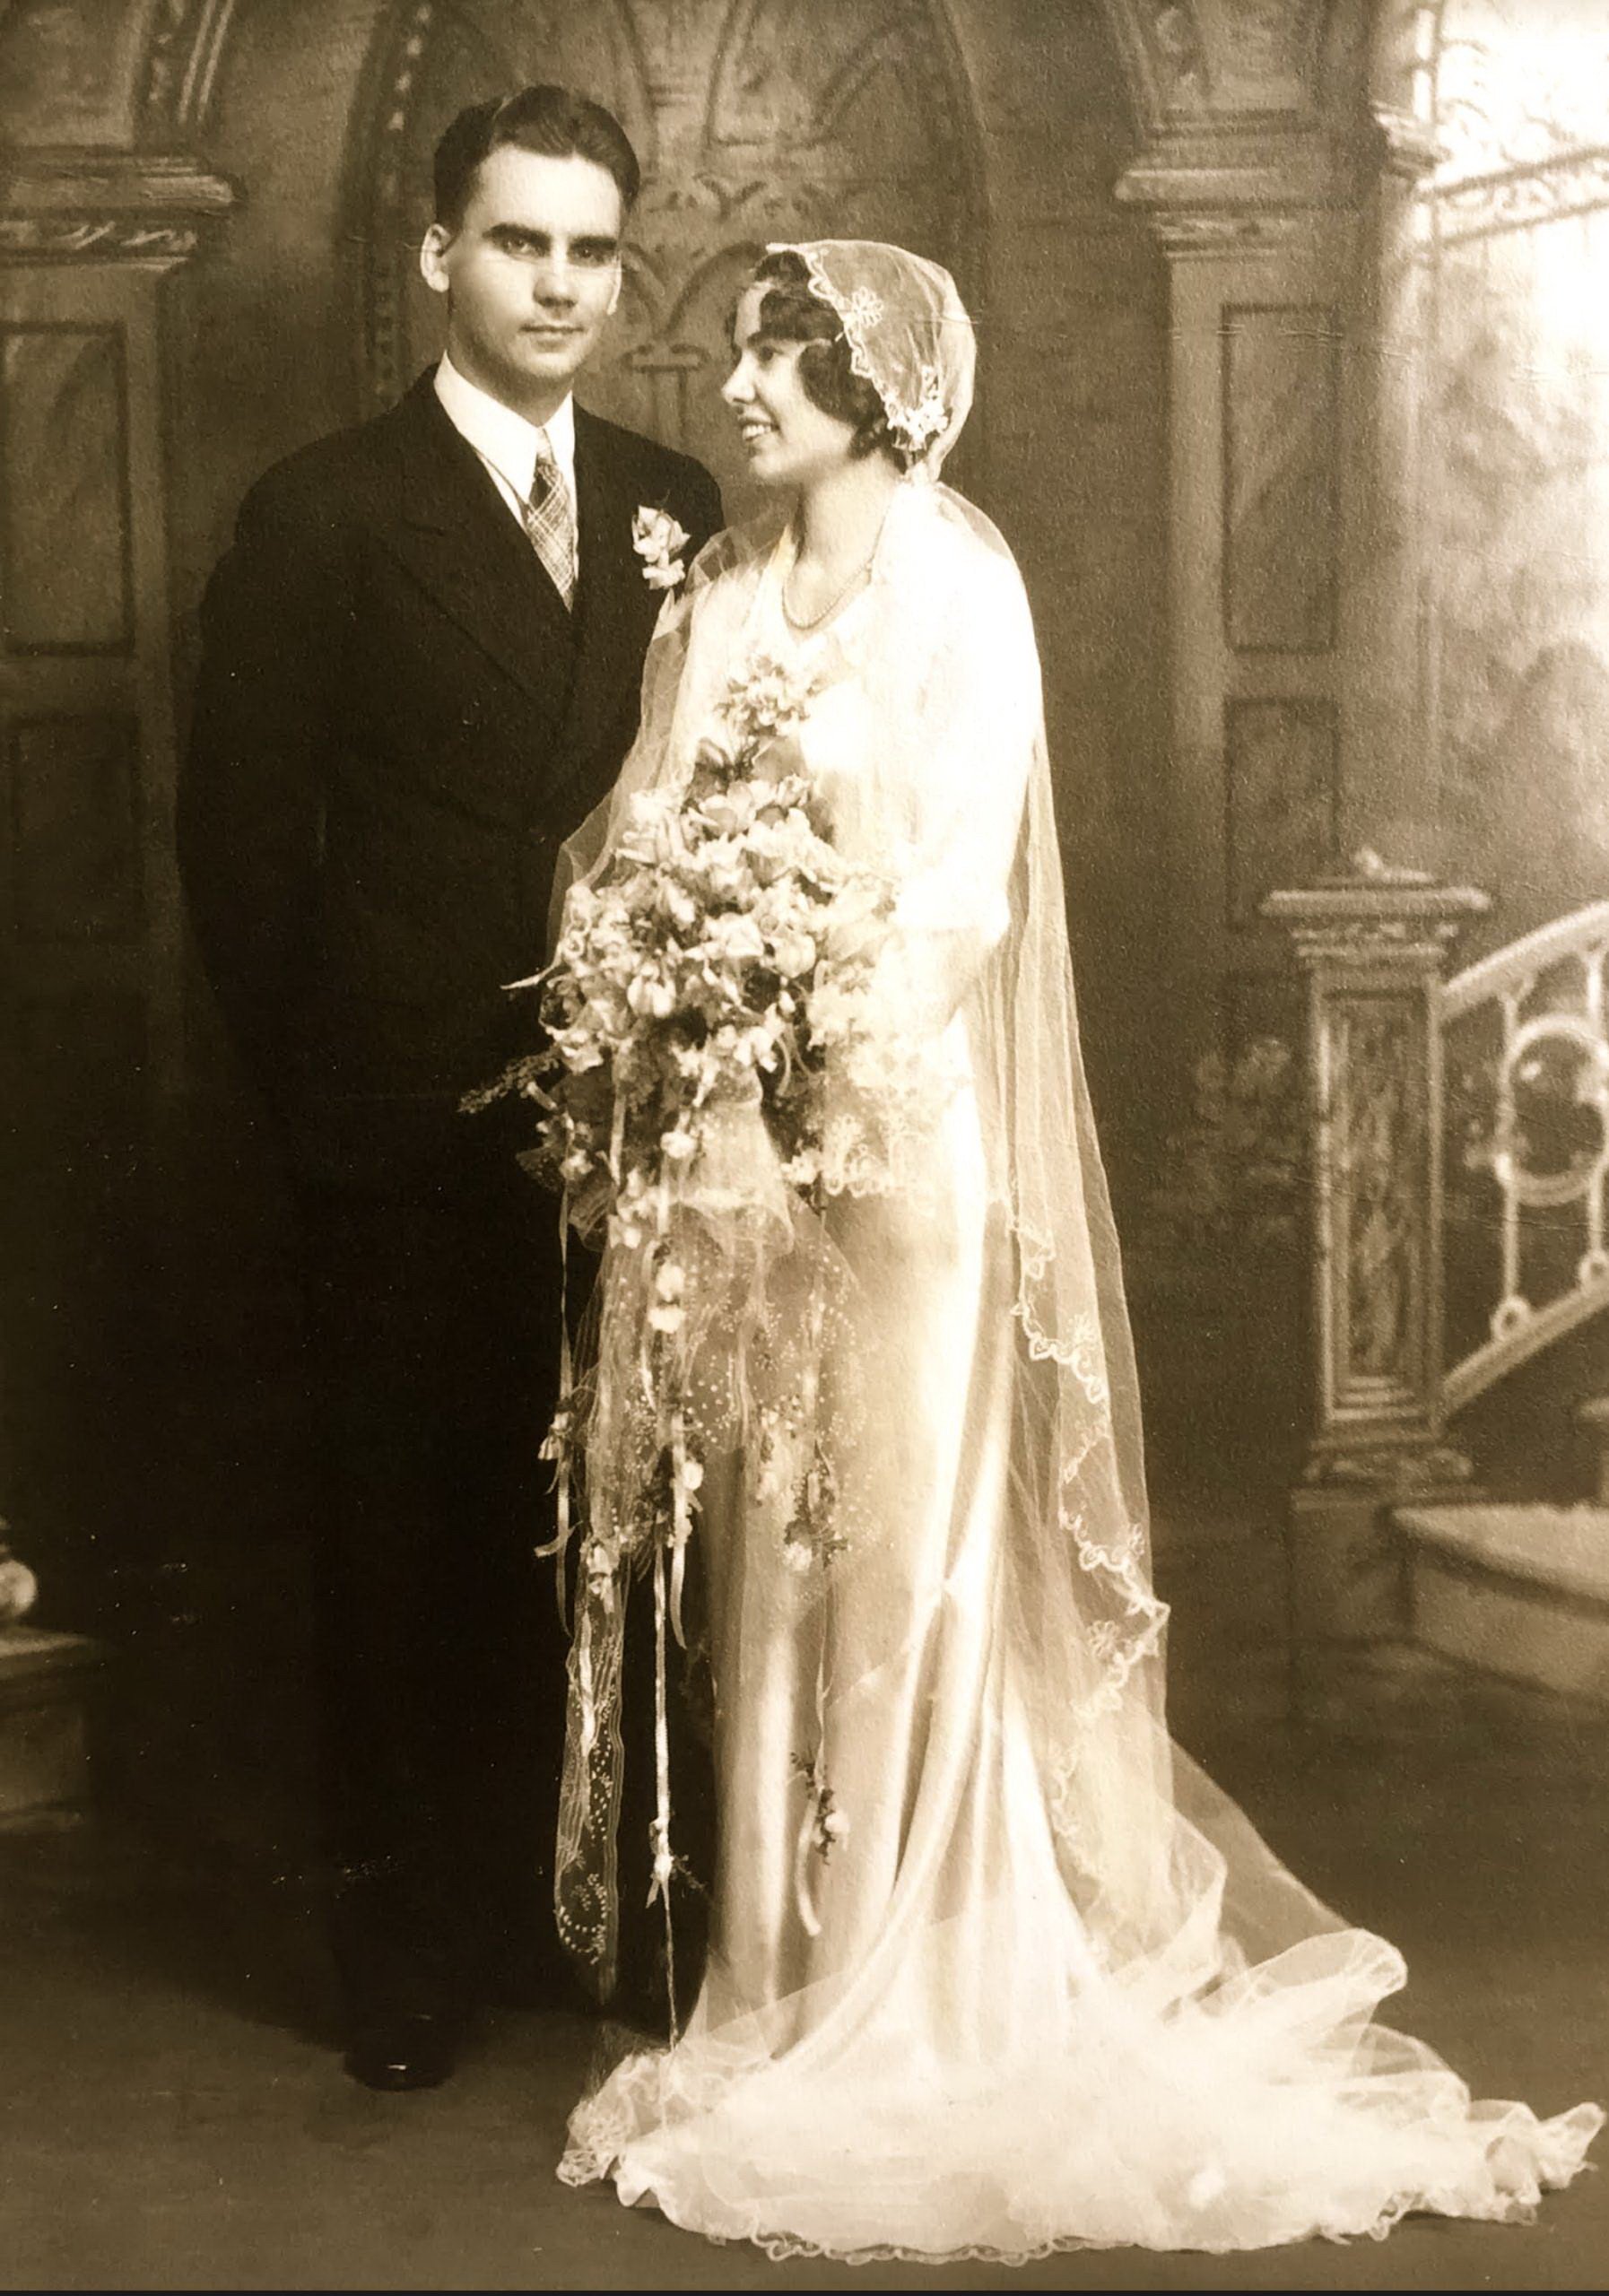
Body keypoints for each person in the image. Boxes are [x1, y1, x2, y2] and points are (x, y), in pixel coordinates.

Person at [542, 240, 1603, 2259]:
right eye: (749, 347)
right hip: (738, 1160)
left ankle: (913, 1979)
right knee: (765, 1555)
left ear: (884, 391)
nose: (741, 378)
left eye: (787, 351)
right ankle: (771, 1985)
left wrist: (799, 1047)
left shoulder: (961, 585)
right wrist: (682, 1037)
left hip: (899, 1154)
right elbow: (654, 840)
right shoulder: (721, 598)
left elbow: (958, 895)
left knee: (900, 1562)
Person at [176, 84, 721, 2093]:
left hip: (641, 1127)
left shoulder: (678, 498)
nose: (559, 283)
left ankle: (609, 1909)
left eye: (591, 248)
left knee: (622, 1531)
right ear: (439, 256)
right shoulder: (324, 508)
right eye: (519, 242)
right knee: (401, 1540)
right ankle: (406, 1943)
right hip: (405, 1127)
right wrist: (347, 1093)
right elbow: (238, 854)